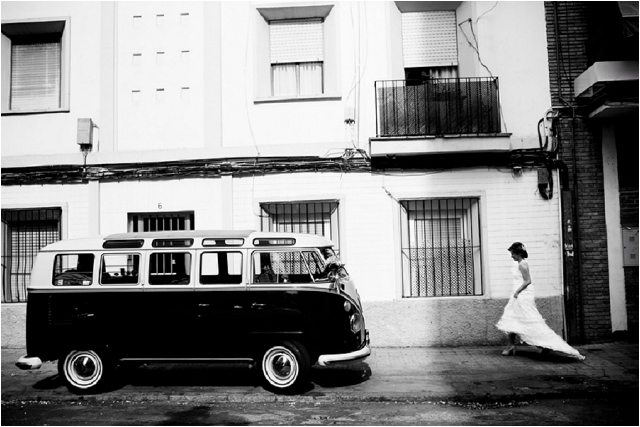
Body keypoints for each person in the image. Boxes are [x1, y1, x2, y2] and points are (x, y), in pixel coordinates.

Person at [496, 242, 585, 360]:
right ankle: (511, 345)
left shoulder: (522, 265)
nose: (511, 256)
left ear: (518, 253)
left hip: (522, 295)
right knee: (511, 318)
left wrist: (517, 292)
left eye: (512, 253)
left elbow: (528, 281)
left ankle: (545, 344)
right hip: (518, 295)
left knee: (530, 321)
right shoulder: (519, 264)